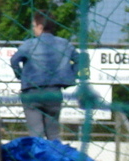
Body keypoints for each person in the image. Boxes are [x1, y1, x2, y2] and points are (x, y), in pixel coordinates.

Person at [10, 11, 78, 140]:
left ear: (40, 27)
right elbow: (80, 60)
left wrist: (21, 76)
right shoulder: (64, 44)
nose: (33, 29)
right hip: (54, 91)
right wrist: (71, 76)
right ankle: (55, 152)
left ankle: (38, 152)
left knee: (36, 134)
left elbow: (14, 60)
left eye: (34, 26)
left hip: (32, 91)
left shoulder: (29, 44)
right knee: (53, 134)